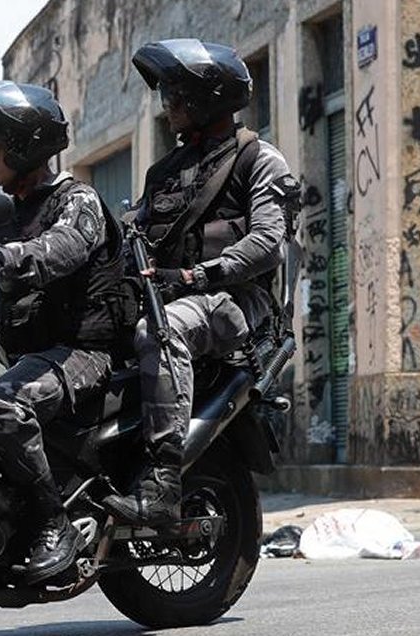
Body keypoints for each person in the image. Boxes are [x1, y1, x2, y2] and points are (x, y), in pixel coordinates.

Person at [102, 39, 300, 525]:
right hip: (173, 297)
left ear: (208, 97)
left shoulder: (258, 159)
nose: (166, 103)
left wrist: (198, 275)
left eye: (175, 93)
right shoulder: (165, 171)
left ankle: (163, 480)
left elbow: (267, 242)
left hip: (237, 304)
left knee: (160, 331)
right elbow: (133, 238)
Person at [0, 81, 131, 583]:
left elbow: (59, 250)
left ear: (27, 144)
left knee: (1, 406)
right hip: (26, 356)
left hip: (82, 353)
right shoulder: (5, 212)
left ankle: (54, 523)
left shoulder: (78, 201)